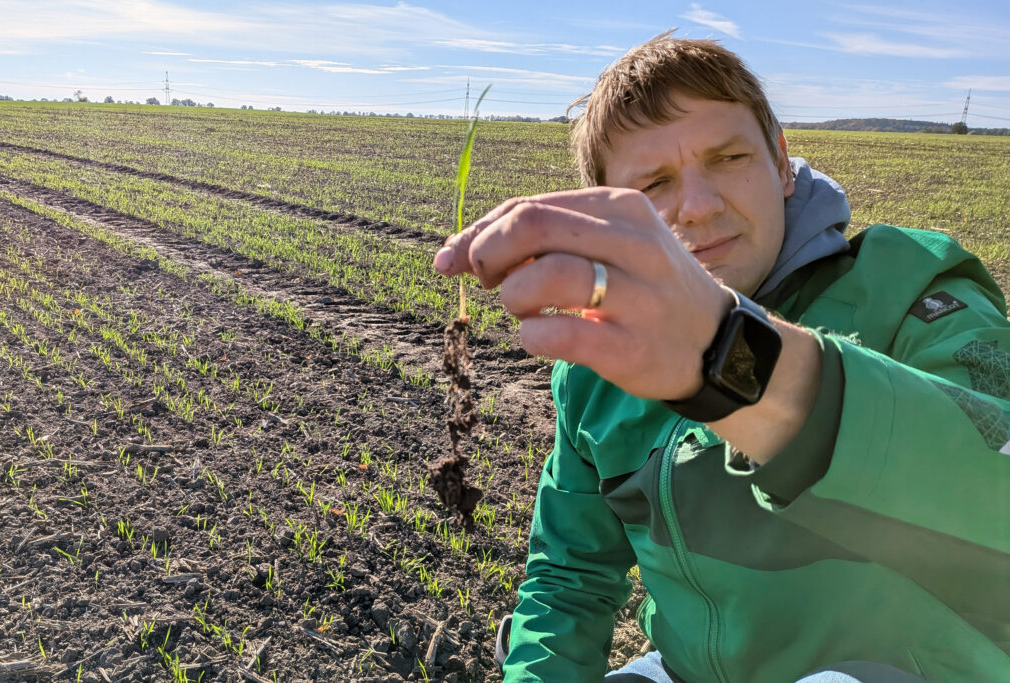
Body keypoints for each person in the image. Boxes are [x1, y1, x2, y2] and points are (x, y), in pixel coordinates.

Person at [433, 31, 1010, 682]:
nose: (700, 208)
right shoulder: (598, 369)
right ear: (607, 214)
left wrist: (739, 361)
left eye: (729, 156)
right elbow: (569, 576)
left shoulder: (913, 292)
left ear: (782, 162)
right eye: (653, 183)